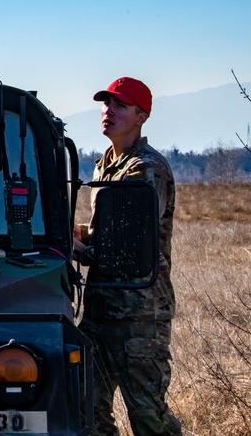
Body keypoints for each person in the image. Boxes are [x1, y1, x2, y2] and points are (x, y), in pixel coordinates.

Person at [74, 76, 181, 436]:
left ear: (141, 116)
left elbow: (131, 240)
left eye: (120, 105)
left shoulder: (147, 169)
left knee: (148, 418)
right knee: (87, 412)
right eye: (106, 104)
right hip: (101, 310)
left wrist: (83, 249)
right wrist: (78, 235)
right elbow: (110, 230)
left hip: (139, 316)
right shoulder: (104, 165)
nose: (109, 111)